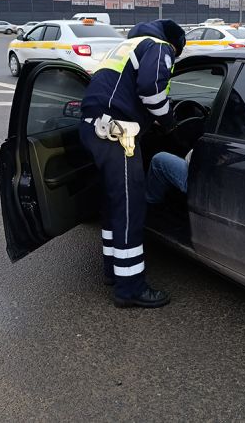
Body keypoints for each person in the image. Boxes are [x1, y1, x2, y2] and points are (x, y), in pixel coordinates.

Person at [79, 19, 186, 309]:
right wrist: (169, 124)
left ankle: (113, 272)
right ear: (175, 45)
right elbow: (151, 89)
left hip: (94, 128)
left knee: (113, 204)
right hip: (117, 134)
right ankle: (131, 288)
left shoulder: (127, 45)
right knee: (131, 207)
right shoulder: (160, 46)